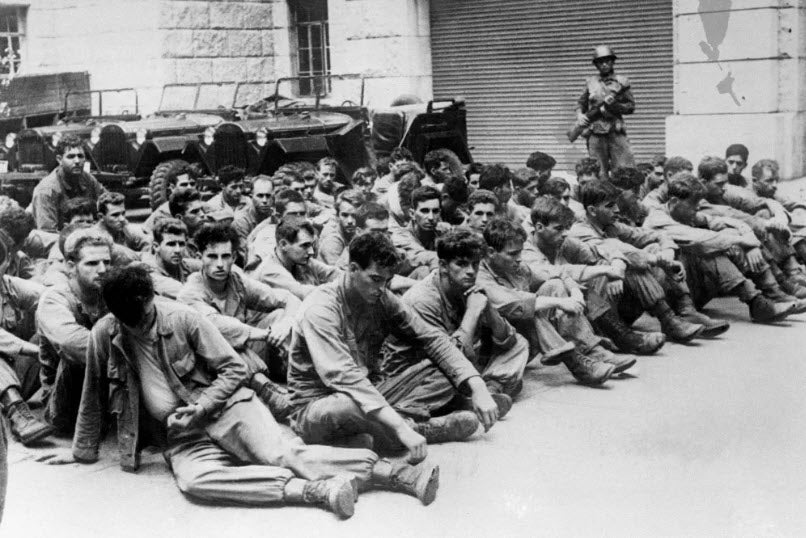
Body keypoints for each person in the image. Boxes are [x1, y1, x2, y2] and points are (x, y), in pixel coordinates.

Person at [39, 265, 441, 519]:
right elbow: (93, 396)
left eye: (142, 316)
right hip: (182, 437)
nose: (137, 326)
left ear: (150, 300)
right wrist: (80, 452)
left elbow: (235, 367)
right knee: (196, 483)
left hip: (229, 408)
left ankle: (396, 474)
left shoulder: (184, 318)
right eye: (126, 320)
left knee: (279, 452)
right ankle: (314, 490)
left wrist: (202, 405)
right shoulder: (104, 335)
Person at [288, 232, 500, 454]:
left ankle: (387, 431)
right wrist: (399, 426)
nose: (382, 288)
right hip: (319, 406)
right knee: (344, 407)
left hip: (371, 392)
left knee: (448, 361)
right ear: (352, 269)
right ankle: (414, 428)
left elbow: (432, 339)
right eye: (376, 279)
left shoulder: (380, 297)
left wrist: (478, 386)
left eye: (387, 281)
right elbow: (343, 376)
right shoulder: (321, 309)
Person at [382, 229, 529, 418]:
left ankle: (489, 390)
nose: (470, 271)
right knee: (449, 374)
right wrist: (473, 312)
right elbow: (450, 357)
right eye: (462, 264)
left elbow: (508, 340)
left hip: (451, 364)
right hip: (411, 375)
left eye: (475, 265)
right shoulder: (423, 299)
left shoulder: (466, 287)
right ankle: (409, 415)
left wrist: (489, 310)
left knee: (520, 344)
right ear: (443, 266)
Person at [570, 180, 727, 341]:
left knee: (653, 248)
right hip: (599, 312)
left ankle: (686, 310)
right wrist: (659, 260)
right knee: (632, 263)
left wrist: (667, 251)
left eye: (616, 204)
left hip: (621, 303)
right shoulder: (580, 231)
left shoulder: (610, 226)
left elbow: (653, 234)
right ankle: (668, 319)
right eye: (610, 206)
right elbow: (617, 250)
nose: (616, 210)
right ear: (592, 210)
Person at [476, 217, 620, 386]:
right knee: (529, 309)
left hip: (522, 340)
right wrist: (559, 303)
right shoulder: (480, 274)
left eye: (521, 252)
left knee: (554, 285)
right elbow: (513, 303)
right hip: (493, 350)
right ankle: (577, 363)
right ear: (491, 252)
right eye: (513, 253)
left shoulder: (516, 267)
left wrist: (574, 291)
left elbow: (556, 272)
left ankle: (590, 350)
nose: (520, 258)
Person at [178, 224, 300, 416]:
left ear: (234, 257)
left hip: (246, 355)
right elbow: (215, 325)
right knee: (223, 339)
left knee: (279, 316)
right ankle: (268, 391)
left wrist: (283, 326)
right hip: (209, 363)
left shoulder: (237, 280)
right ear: (199, 257)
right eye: (212, 256)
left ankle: (296, 378)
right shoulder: (190, 292)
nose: (219, 264)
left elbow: (288, 298)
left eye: (226, 256)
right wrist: (266, 334)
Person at [643, 173, 797, 323]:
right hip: (665, 296)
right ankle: (757, 302)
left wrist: (748, 238)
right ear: (675, 201)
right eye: (693, 205)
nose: (697, 209)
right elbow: (699, 239)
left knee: (726, 236)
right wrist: (743, 241)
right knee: (706, 248)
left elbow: (726, 221)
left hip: (692, 289)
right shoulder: (657, 218)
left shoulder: (685, 214)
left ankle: (771, 293)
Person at [528, 195, 664, 356]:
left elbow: (600, 250)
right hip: (536, 319)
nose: (565, 233)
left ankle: (615, 336)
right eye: (559, 228)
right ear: (539, 227)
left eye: (566, 228)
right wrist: (605, 270)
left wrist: (615, 263)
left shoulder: (562, 241)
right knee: (564, 282)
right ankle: (621, 338)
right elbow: (554, 273)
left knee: (602, 265)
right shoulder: (526, 248)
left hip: (569, 309)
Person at [36, 227, 111, 433]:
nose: (103, 269)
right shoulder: (54, 299)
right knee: (79, 354)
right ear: (71, 266)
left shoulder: (109, 293)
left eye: (107, 262)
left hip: (107, 382)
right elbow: (74, 345)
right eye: (92, 263)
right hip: (66, 402)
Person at [0, 237, 54, 445]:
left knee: (50, 333)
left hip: (13, 374)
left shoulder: (10, 286)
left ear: (8, 264)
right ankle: (18, 415)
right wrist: (32, 349)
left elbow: (50, 298)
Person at [575, 45, 636, 178]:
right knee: (598, 173)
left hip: (616, 131)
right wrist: (579, 115)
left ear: (613, 62)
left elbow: (631, 107)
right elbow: (581, 103)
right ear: (596, 65)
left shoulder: (622, 82)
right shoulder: (590, 82)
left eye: (607, 61)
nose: (604, 65)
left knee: (623, 171)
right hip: (596, 132)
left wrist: (615, 105)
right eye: (600, 62)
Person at [249, 216, 340, 300]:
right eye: (305, 245)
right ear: (283, 245)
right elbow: (306, 294)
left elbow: (332, 273)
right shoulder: (269, 271)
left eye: (311, 245)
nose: (311, 252)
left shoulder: (298, 259)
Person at [30, 134, 107, 232]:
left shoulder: (87, 178)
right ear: (59, 159)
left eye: (80, 156)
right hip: (55, 240)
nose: (77, 161)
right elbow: (48, 234)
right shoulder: (47, 191)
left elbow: (108, 202)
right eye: (71, 157)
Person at [391, 186, 446, 278]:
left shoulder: (442, 232)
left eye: (435, 211)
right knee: (423, 270)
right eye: (425, 211)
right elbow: (429, 257)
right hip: (405, 286)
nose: (431, 217)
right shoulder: (400, 237)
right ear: (412, 214)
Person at [246, 188, 308, 266]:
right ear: (279, 217)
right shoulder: (267, 238)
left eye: (302, 214)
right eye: (292, 214)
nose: (299, 219)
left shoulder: (304, 233)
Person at [141, 218, 200, 300]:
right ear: (156, 246)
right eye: (171, 244)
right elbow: (187, 294)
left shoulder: (184, 264)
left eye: (181, 244)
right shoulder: (149, 273)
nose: (178, 250)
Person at [232, 174, 274, 264]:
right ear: (251, 197)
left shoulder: (275, 216)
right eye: (260, 196)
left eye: (268, 196)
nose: (265, 200)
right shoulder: (241, 222)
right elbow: (247, 257)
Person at [317, 189, 365, 265]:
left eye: (354, 215)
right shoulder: (332, 240)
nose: (349, 221)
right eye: (345, 215)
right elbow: (339, 274)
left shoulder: (358, 231)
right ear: (337, 215)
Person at [142, 167, 197, 232]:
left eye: (192, 184)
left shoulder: (202, 208)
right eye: (184, 185)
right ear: (172, 188)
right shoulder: (163, 212)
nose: (189, 188)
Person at [168, 188, 210, 258]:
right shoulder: (176, 246)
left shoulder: (209, 233)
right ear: (179, 218)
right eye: (195, 211)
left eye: (201, 209)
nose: (202, 214)